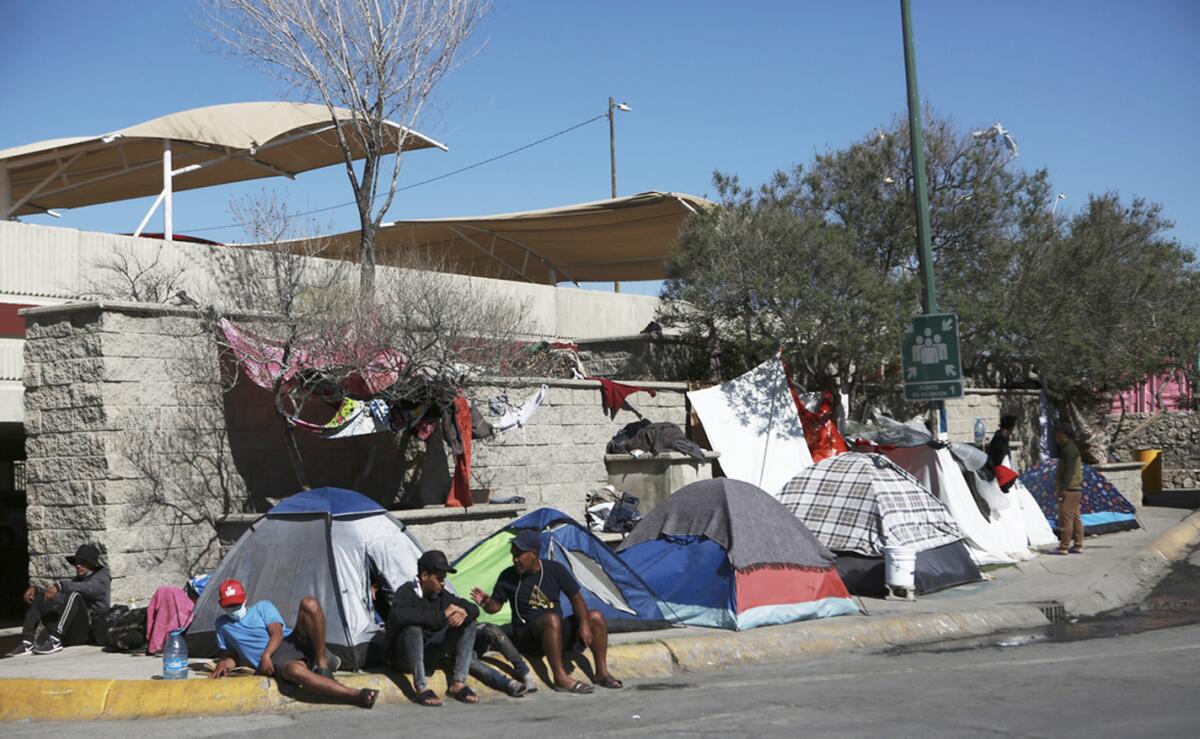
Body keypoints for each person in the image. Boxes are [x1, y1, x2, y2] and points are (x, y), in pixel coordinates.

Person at [470, 529, 623, 694]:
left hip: (555, 632)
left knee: (595, 616)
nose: (515, 559)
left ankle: (601, 673)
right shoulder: (508, 576)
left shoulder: (554, 569)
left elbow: (576, 597)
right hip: (528, 636)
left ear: (534, 554)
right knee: (552, 618)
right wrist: (486, 603)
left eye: (519, 555)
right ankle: (560, 678)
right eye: (513, 555)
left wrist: (584, 625)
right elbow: (495, 607)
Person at [209, 579, 377, 709]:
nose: (234, 608)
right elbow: (233, 655)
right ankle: (355, 695)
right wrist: (225, 663)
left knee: (309, 603)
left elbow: (277, 633)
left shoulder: (262, 607)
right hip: (277, 661)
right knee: (294, 671)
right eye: (229, 606)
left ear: (244, 598)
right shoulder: (222, 625)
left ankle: (322, 663)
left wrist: (265, 654)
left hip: (287, 642)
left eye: (236, 603)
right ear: (221, 605)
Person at [385, 550, 480, 706]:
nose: (442, 583)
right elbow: (400, 616)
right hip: (402, 658)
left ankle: (458, 683)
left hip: (428, 655)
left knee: (469, 624)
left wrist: (463, 614)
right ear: (424, 576)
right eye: (439, 579)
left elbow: (473, 609)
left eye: (444, 579)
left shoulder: (442, 595)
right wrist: (444, 615)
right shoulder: (406, 592)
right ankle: (421, 688)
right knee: (413, 629)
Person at [5, 543, 111, 657]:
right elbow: (60, 597)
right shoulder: (78, 580)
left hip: (87, 632)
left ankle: (55, 640)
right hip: (70, 631)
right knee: (40, 598)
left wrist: (60, 585)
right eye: (77, 562)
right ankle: (27, 643)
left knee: (74, 595)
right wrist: (37, 590)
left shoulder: (101, 578)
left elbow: (89, 589)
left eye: (83, 562)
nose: (78, 565)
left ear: (92, 564)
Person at [1054, 423, 1085, 555]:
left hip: (1070, 489)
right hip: (1075, 489)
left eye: (1058, 434)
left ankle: (1064, 546)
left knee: (1066, 519)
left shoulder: (1069, 451)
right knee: (1076, 518)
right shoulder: (1070, 449)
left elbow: (1068, 471)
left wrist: (1063, 488)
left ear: (1063, 435)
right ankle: (1078, 544)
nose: (1056, 436)